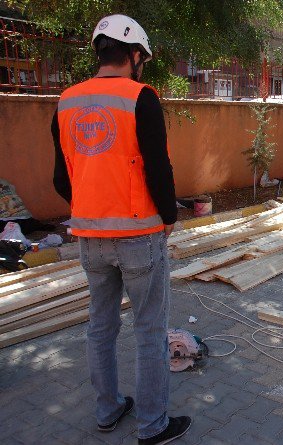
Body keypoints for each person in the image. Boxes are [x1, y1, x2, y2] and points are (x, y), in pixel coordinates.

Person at [51, 14, 191, 444]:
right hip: (139, 237)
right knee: (149, 330)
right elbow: (158, 170)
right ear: (133, 55)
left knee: (100, 327)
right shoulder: (140, 98)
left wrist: (91, 207)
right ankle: (152, 426)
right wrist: (168, 217)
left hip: (90, 238)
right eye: (141, 59)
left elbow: (61, 179)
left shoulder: (67, 102)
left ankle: (108, 410)